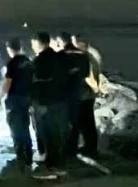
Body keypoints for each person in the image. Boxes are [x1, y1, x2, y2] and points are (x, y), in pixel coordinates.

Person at [30, 31, 69, 177]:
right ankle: (57, 161)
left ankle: (50, 164)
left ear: (38, 43)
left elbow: (34, 82)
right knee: (57, 133)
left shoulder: (38, 61)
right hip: (60, 100)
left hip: (44, 102)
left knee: (46, 133)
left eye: (33, 43)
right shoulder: (60, 58)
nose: (32, 46)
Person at [0, 37, 34, 166]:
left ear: (9, 49)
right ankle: (28, 155)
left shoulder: (12, 63)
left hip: (15, 99)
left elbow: (7, 82)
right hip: (27, 98)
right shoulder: (28, 61)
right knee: (25, 126)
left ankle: (20, 156)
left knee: (15, 127)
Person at [58, 30, 91, 158]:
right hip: (78, 91)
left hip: (64, 93)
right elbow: (86, 73)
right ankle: (76, 147)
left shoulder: (60, 55)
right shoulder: (82, 54)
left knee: (65, 121)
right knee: (76, 121)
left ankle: (67, 149)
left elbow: (57, 75)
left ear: (61, 41)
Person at [70, 32, 101, 158]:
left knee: (84, 122)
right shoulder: (90, 57)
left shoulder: (86, 59)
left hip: (84, 95)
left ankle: (89, 147)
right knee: (87, 122)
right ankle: (89, 146)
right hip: (87, 95)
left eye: (74, 43)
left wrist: (95, 88)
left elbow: (90, 78)